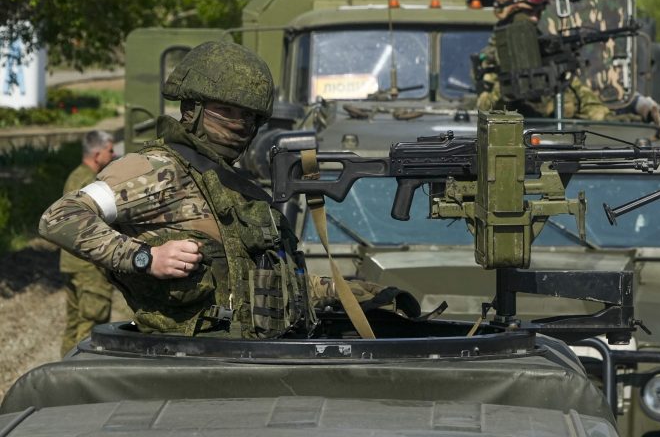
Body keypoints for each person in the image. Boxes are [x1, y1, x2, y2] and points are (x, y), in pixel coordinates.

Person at [40, 41, 416, 340]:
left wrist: (340, 291)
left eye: (250, 117)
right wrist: (145, 258)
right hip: (189, 361)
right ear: (193, 109)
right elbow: (60, 217)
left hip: (251, 355)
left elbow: (262, 285)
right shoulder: (155, 169)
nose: (240, 125)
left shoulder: (234, 187)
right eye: (227, 111)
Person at [475, 0, 660, 125]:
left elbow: (584, 100)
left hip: (557, 137)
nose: (534, 20)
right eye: (528, 13)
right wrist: (513, 86)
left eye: (539, 13)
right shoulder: (494, 59)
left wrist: (609, 120)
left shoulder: (546, 54)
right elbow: (485, 107)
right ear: (509, 13)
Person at [58, 130, 115, 356]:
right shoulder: (90, 183)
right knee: (90, 328)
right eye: (110, 150)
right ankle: (75, 378)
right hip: (89, 266)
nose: (113, 154)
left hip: (72, 263)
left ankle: (63, 375)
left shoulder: (75, 176)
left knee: (73, 325)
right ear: (97, 153)